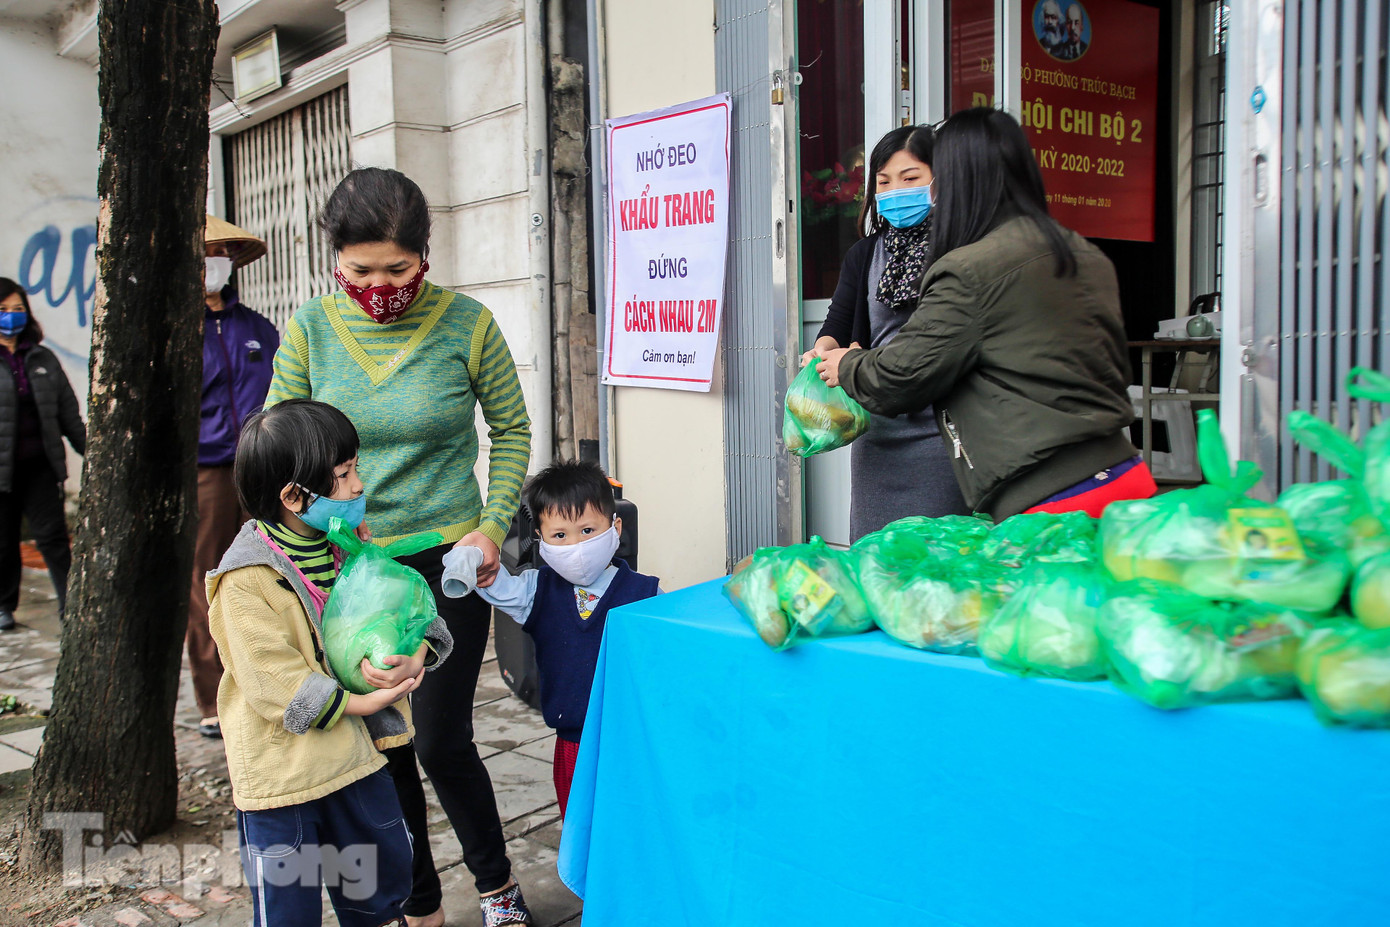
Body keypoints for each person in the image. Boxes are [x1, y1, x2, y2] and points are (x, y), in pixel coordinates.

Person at [266, 168, 534, 927]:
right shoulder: (312, 329)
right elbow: (280, 440)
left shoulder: (469, 323)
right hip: (351, 570)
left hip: (448, 563)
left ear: (425, 255)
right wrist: (313, 527)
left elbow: (510, 431)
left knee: (444, 738)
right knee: (386, 737)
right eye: (360, 270)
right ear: (335, 263)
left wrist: (491, 523)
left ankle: (496, 885)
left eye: (397, 268)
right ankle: (419, 905)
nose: (379, 285)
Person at [816, 108, 1156, 521]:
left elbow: (901, 376)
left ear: (958, 179)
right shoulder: (1082, 253)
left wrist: (848, 363)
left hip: (1049, 497)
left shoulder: (970, 268)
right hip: (1120, 473)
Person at [208, 398, 452, 927]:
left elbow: (410, 611)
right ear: (294, 496)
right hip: (285, 783)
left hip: (359, 765)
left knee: (377, 900)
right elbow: (272, 678)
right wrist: (360, 700)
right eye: (343, 475)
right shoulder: (246, 582)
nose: (359, 485)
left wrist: (415, 654)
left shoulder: (351, 550)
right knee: (289, 912)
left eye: (355, 468)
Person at [445, 460, 661, 817]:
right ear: (541, 540)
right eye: (560, 535)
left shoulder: (647, 595)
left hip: (633, 741)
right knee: (580, 832)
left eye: (588, 530)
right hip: (573, 744)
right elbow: (495, 586)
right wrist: (473, 557)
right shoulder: (536, 590)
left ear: (615, 528)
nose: (576, 545)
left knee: (633, 826)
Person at [800, 125, 970, 540]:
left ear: (939, 179)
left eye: (910, 178)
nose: (896, 190)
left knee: (939, 559)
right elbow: (837, 325)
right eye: (884, 181)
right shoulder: (864, 254)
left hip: (942, 432)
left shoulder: (959, 251)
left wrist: (855, 362)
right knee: (876, 559)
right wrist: (820, 351)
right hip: (878, 432)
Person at [190, 215, 280, 738]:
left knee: (272, 567)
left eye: (223, 252)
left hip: (258, 463)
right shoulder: (177, 330)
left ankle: (271, 677)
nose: (215, 262)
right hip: (203, 469)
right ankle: (212, 696)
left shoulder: (256, 327)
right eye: (207, 253)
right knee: (206, 578)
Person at [0, 279, 85, 632]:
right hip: (2, 471)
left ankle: (71, 604)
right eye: (4, 310)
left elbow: (67, 412)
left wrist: (90, 453)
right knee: (4, 541)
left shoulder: (43, 357)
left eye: (18, 310)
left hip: (41, 467)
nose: (11, 317)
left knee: (52, 537)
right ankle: (4, 606)